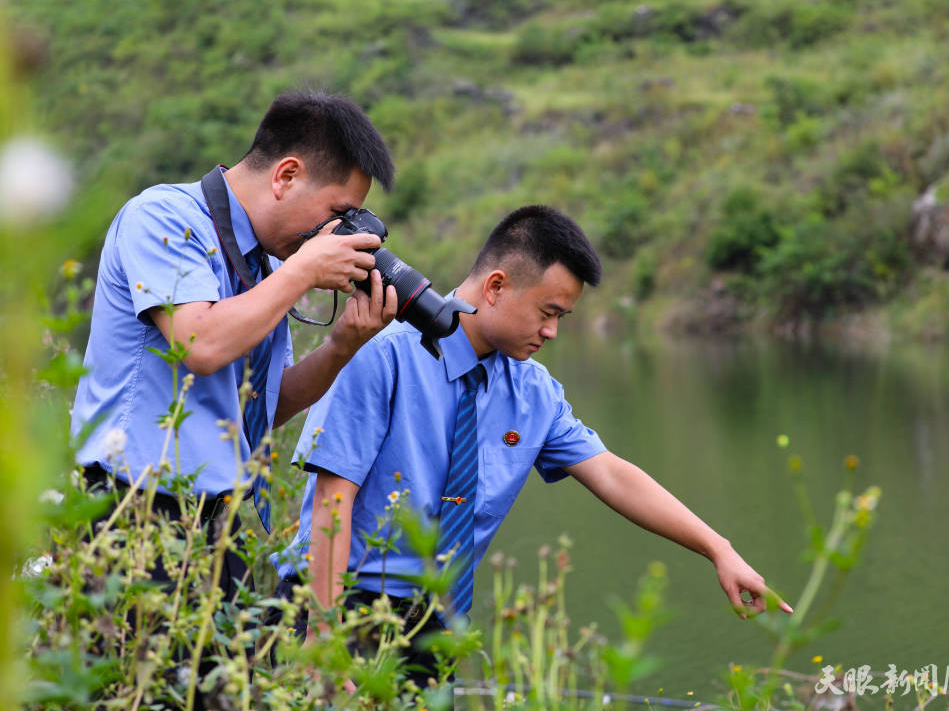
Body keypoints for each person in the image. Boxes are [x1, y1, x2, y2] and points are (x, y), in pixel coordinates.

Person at [272, 205, 793, 685]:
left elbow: (611, 473)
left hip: (434, 622)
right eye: (548, 312)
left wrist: (717, 549)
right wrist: (324, 640)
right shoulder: (379, 355)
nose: (552, 332)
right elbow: (332, 500)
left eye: (562, 318)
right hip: (339, 605)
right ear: (496, 286)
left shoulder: (532, 391)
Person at [71, 90, 400, 592]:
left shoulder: (261, 269)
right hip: (129, 513)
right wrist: (305, 271)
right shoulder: (163, 216)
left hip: (215, 522)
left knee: (238, 669)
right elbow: (198, 345)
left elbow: (262, 409)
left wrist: (342, 347)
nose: (339, 232)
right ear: (286, 176)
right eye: (339, 212)